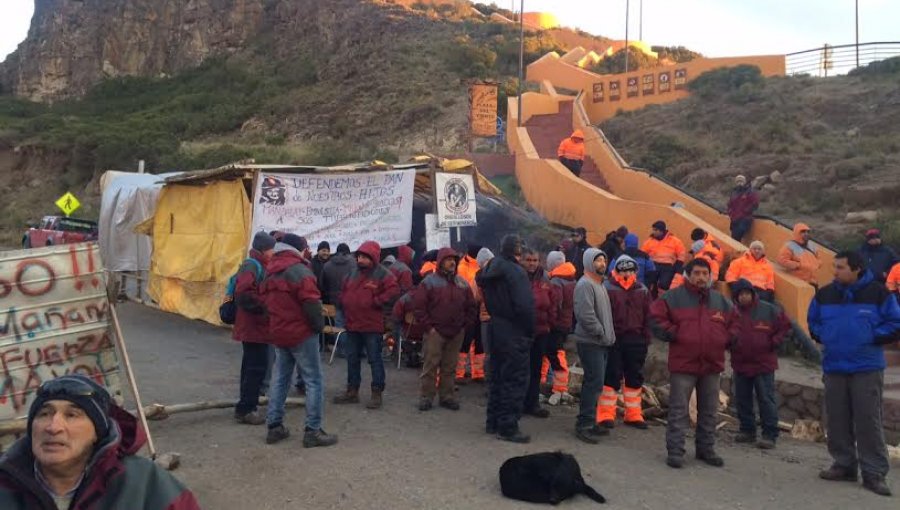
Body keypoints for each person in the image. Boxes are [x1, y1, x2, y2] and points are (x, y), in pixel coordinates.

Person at [0, 375, 201, 509]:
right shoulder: (6, 484)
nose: (53, 427)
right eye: (44, 414)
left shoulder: (144, 483)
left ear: (98, 432)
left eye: (72, 415)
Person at [808, 251, 900, 497]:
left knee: (868, 420)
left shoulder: (879, 294)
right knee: (837, 419)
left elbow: (895, 322)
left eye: (840, 267)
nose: (835, 271)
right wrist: (824, 335)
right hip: (835, 366)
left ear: (857, 268)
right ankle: (844, 464)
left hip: (866, 367)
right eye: (834, 266)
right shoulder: (825, 294)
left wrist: (870, 336)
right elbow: (813, 321)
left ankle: (874, 473)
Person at [650, 258, 739, 469]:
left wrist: (725, 339)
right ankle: (675, 451)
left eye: (705, 274)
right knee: (679, 410)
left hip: (711, 364)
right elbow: (655, 318)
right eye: (697, 273)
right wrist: (675, 333)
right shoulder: (673, 298)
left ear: (710, 276)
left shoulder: (721, 301)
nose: (701, 277)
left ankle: (706, 449)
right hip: (684, 364)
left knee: (709, 410)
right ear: (688, 275)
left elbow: (736, 324)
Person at [258, 235, 337, 447]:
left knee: (280, 379)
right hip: (302, 334)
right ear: (298, 249)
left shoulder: (270, 271)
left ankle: (274, 426)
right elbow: (312, 304)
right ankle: (313, 431)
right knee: (314, 381)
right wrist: (319, 328)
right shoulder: (300, 271)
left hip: (279, 333)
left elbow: (264, 304)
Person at [477, 234, 535, 443]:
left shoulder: (490, 268)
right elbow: (525, 306)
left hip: (495, 326)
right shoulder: (516, 273)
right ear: (517, 250)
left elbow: (480, 280)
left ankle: (492, 422)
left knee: (497, 377)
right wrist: (529, 331)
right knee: (515, 379)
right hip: (514, 330)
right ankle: (508, 426)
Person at [334, 241, 400, 410]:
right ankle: (352, 391)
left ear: (374, 258)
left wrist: (377, 301)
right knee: (352, 359)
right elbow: (343, 290)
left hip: (371, 325)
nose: (361, 260)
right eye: (359, 256)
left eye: (365, 257)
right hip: (353, 323)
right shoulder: (351, 273)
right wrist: (343, 301)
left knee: (374, 359)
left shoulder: (383, 274)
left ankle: (376, 392)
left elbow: (393, 291)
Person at [729, 279, 791, 450]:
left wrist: (774, 342)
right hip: (740, 362)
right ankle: (747, 430)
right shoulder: (732, 312)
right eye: (740, 294)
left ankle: (769, 434)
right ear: (736, 296)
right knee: (742, 399)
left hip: (763, 363)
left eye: (747, 293)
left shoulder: (768, 310)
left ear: (752, 293)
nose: (744, 297)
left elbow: (785, 327)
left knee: (766, 399)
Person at [413, 248, 477, 411]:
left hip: (456, 332)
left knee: (450, 366)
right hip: (435, 332)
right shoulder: (429, 282)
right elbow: (419, 307)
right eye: (448, 259)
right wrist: (429, 328)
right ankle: (426, 397)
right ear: (441, 261)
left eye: (454, 260)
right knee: (430, 365)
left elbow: (471, 306)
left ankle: (447, 396)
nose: (452, 262)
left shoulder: (462, 283)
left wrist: (464, 325)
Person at [598, 255, 652, 430]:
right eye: (623, 270)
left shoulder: (642, 290)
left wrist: (646, 339)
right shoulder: (607, 288)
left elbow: (648, 316)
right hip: (614, 339)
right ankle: (605, 414)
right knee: (611, 376)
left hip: (636, 340)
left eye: (630, 270)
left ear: (635, 271)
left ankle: (634, 414)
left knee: (634, 377)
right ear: (616, 271)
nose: (627, 273)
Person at [572, 248, 616, 444]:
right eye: (598, 260)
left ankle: (590, 420)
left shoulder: (600, 285)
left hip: (600, 342)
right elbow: (586, 315)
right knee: (593, 382)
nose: (602, 264)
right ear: (589, 262)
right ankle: (584, 425)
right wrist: (600, 332)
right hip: (591, 342)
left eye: (603, 260)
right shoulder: (585, 285)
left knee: (595, 382)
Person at [233, 232, 276, 425]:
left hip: (254, 326)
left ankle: (245, 406)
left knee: (251, 367)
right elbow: (243, 292)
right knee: (255, 368)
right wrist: (264, 306)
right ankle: (247, 409)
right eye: (271, 248)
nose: (273, 252)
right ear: (263, 249)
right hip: (254, 326)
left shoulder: (256, 264)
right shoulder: (252, 265)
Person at [522, 248, 559, 419]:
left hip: (542, 330)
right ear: (522, 260)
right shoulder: (517, 277)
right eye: (528, 260)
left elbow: (552, 303)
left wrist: (550, 325)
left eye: (535, 260)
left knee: (536, 369)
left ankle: (532, 404)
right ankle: (518, 402)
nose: (532, 263)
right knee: (521, 369)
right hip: (521, 331)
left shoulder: (545, 279)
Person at [544, 251, 576, 405]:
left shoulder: (556, 281)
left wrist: (549, 321)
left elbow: (555, 305)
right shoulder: (571, 278)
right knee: (554, 352)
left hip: (556, 324)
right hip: (567, 323)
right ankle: (552, 385)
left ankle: (559, 388)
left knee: (555, 353)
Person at [457, 245, 486, 383]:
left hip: (480, 307)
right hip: (466, 308)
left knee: (479, 341)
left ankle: (478, 373)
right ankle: (459, 373)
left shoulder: (482, 265)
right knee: (465, 341)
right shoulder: (462, 266)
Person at [642, 221, 687, 296]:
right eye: (653, 230)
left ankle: (663, 299)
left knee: (664, 284)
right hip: (653, 265)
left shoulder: (674, 241)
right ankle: (652, 299)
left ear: (661, 231)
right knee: (650, 284)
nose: (653, 232)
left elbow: (681, 253)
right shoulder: (649, 241)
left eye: (656, 230)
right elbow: (643, 253)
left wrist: (678, 265)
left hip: (668, 266)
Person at [777, 223, 821, 288]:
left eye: (807, 232)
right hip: (798, 281)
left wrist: (817, 264)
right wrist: (798, 265)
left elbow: (819, 259)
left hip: (813, 281)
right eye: (803, 231)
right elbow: (782, 260)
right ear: (797, 233)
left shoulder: (812, 246)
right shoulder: (790, 245)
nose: (806, 233)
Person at [727, 174, 759, 242]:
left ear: (744, 182)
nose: (739, 183)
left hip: (744, 219)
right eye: (738, 181)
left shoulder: (750, 191)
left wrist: (746, 211)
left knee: (737, 235)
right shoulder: (734, 192)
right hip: (734, 219)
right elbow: (729, 204)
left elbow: (755, 203)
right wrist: (730, 213)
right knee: (734, 239)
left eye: (741, 181)